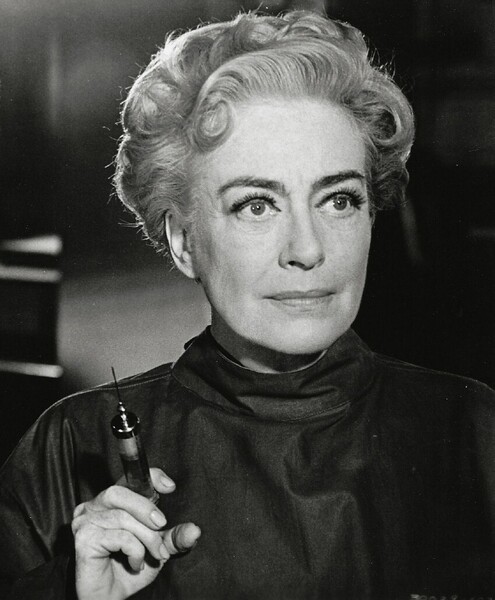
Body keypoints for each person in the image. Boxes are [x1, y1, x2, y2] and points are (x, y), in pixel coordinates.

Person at [1, 9, 494, 600]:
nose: (307, 250)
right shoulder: (68, 446)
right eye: (256, 205)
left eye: (339, 199)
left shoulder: (475, 431)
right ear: (184, 243)